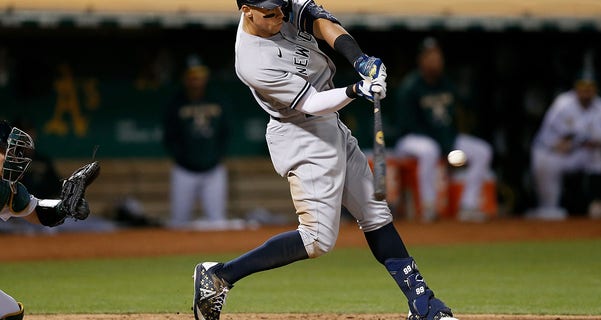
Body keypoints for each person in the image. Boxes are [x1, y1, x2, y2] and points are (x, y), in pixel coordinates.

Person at [192, 1, 458, 320]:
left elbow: (320, 22)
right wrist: (358, 89)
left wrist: (360, 59)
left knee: (375, 213)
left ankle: (423, 304)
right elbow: (312, 102)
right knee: (316, 239)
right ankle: (220, 275)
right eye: (270, 14)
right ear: (246, 10)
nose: (280, 17)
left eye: (281, 9)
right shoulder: (252, 61)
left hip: (328, 123)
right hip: (300, 132)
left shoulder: (282, 6)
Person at [394, 37, 493, 222]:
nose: (435, 60)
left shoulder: (446, 83)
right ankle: (428, 207)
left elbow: (459, 114)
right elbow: (409, 125)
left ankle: (468, 206)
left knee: (482, 151)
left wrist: (448, 143)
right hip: (411, 140)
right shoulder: (411, 86)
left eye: (438, 56)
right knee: (429, 150)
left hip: (442, 139)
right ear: (421, 60)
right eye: (430, 56)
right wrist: (444, 144)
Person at [0, 120, 91, 320]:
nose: (13, 158)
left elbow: (36, 212)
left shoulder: (4, 188)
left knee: (10, 313)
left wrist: (65, 206)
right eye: (7, 151)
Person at [528, 66, 601, 220]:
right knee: (550, 210)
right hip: (548, 155)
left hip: (574, 153)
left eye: (590, 88)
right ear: (575, 88)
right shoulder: (563, 104)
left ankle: (596, 202)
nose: (586, 92)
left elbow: (599, 137)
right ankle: (536, 223)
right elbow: (564, 141)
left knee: (596, 152)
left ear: (596, 89)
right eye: (582, 87)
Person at [163, 55, 231, 229]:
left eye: (199, 74)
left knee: (218, 222)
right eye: (192, 75)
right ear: (185, 77)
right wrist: (181, 157)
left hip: (213, 169)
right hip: (184, 170)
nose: (196, 79)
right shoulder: (176, 102)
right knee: (179, 222)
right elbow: (169, 136)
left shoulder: (217, 98)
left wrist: (217, 156)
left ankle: (217, 256)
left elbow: (226, 132)